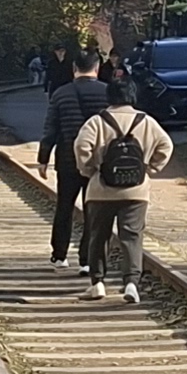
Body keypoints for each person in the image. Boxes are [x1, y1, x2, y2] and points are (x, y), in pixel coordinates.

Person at [67, 77, 172, 298]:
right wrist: (150, 168)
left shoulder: (97, 121)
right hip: (136, 190)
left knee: (99, 235)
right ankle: (132, 283)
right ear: (133, 95)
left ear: (109, 96)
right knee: (132, 236)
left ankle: (98, 283)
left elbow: (81, 145)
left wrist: (89, 170)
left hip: (101, 190)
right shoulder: (147, 121)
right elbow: (166, 145)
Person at [40, 56, 108, 267]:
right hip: (96, 161)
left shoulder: (61, 93)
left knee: (64, 206)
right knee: (93, 209)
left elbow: (50, 129)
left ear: (74, 67)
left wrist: (43, 158)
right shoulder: (107, 92)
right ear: (97, 67)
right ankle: (87, 259)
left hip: (67, 159)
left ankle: (59, 255)